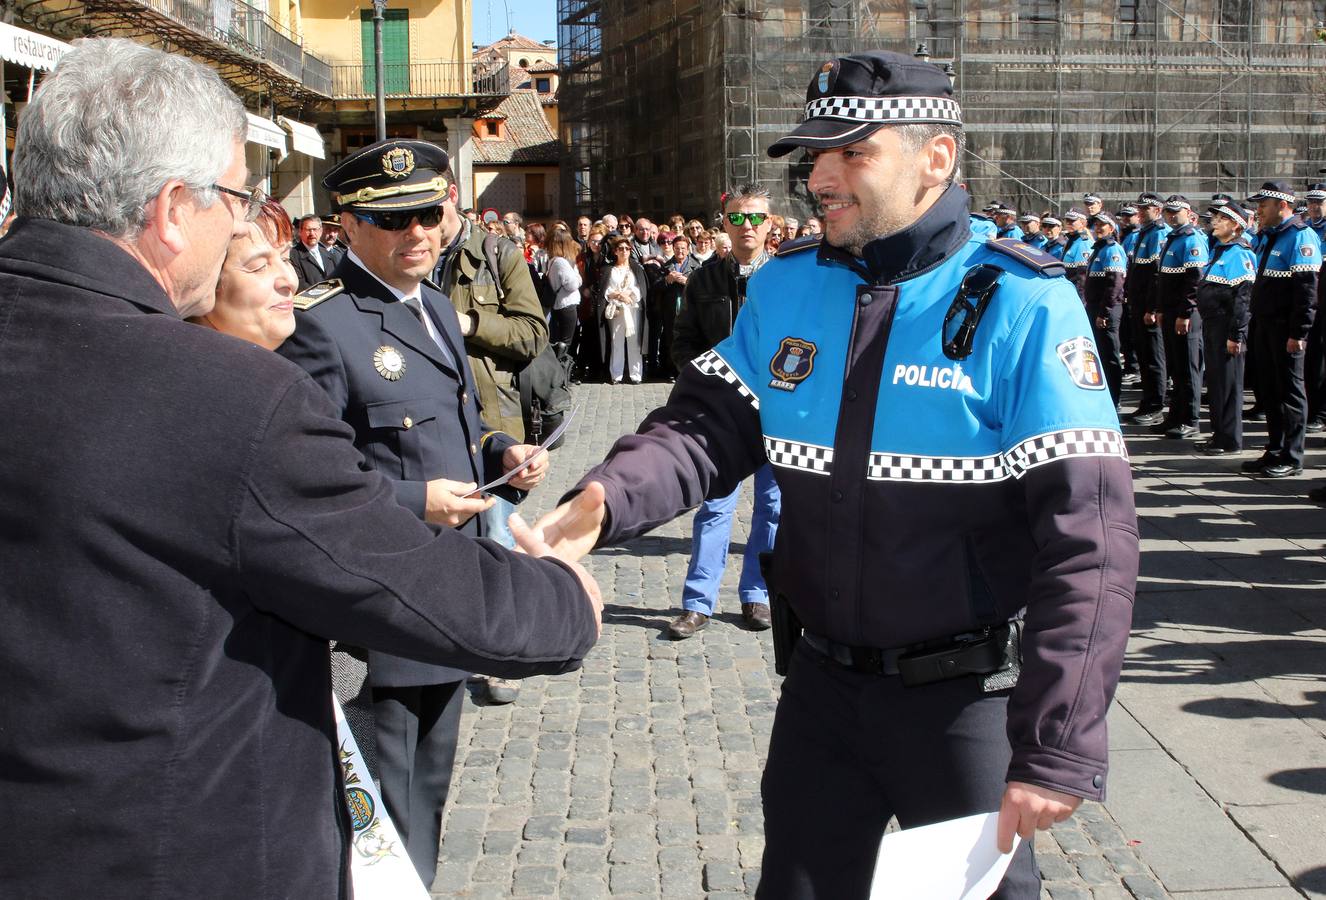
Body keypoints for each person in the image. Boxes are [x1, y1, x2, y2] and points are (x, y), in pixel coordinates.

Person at [0, 38, 599, 898]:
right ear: (174, 209)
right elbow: (390, 573)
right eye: (238, 195)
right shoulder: (224, 393)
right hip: (172, 853)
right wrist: (565, 599)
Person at [533, 50, 1136, 899]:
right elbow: (706, 425)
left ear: (937, 158)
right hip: (820, 692)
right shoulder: (785, 287)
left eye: (852, 151)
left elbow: (1093, 544)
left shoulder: (1025, 304)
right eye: (814, 154)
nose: (820, 175)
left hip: (961, 706)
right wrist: (599, 503)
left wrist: (1059, 741)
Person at [278, 139, 556, 886]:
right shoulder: (322, 323)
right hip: (379, 608)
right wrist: (415, 501)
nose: (419, 234)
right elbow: (306, 476)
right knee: (384, 809)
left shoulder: (433, 302)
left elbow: (446, 425)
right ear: (348, 225)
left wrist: (500, 451)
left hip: (443, 594)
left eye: (431, 214)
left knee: (425, 798)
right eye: (396, 220)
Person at [668, 185, 782, 639]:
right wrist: (706, 384)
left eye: (756, 218)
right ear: (725, 223)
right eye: (738, 218)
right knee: (714, 507)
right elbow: (682, 341)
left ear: (770, 224)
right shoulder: (704, 279)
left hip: (777, 412)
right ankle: (699, 602)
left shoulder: (789, 279)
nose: (747, 226)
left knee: (772, 508)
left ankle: (758, 596)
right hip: (724, 414)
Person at [1240, 181, 1321, 479]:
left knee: (1290, 392)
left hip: (1285, 330)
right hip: (1264, 325)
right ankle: (1275, 448)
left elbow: (1306, 293)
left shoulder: (1300, 237)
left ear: (1282, 205)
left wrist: (1298, 333)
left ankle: (1292, 454)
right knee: (1270, 392)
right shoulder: (1268, 237)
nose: (1259, 210)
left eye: (1264, 204)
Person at [1196, 203, 1255, 456]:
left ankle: (1229, 438)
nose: (1214, 222)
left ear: (1236, 226)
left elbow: (1243, 299)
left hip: (1226, 326)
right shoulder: (1220, 250)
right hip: (1212, 325)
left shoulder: (1239, 253)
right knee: (1217, 383)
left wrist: (1236, 334)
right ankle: (1218, 434)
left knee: (1229, 384)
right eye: (1215, 218)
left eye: (1221, 219)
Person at [1153, 195, 1208, 439]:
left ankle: (1191, 419)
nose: (1172, 215)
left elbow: (1194, 280)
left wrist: (1185, 313)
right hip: (1172, 310)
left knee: (1188, 367)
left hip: (1185, 313)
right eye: (1168, 212)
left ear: (1189, 213)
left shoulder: (1191, 239)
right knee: (1176, 367)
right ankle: (1175, 415)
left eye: (1177, 211)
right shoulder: (1172, 238)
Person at [1125, 192, 1171, 425]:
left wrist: (1152, 308)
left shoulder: (1159, 234)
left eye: (1146, 209)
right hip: (1138, 304)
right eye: (1140, 209)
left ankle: (1156, 405)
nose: (1141, 213)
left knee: (1154, 357)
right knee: (1144, 356)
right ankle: (1148, 401)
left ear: (1158, 210)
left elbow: (1156, 276)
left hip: (1148, 307)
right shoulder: (1143, 234)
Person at [1084, 212, 1128, 406]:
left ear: (1111, 228)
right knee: (1099, 354)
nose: (1098, 228)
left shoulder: (1112, 249)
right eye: (1096, 225)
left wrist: (1105, 312)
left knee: (1110, 355)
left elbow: (1115, 284)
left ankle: (1114, 398)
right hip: (1095, 307)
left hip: (1107, 310)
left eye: (1103, 225)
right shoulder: (1099, 249)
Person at [600, 234, 647, 384]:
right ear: (615, 251)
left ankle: (635, 375)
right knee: (616, 341)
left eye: (627, 248)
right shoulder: (609, 269)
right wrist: (620, 295)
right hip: (616, 309)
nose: (624, 251)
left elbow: (641, 288)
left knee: (634, 341)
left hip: (632, 308)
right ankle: (616, 375)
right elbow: (606, 290)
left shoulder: (636, 268)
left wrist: (630, 296)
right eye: (621, 248)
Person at [547, 228, 584, 345]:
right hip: (566, 305)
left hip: (560, 305)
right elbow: (572, 285)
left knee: (563, 339)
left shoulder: (553, 260)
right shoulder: (561, 262)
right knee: (567, 342)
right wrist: (578, 277)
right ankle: (563, 362)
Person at [1059, 209, 1092, 299]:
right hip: (1067, 289)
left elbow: (1082, 276)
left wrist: (1078, 298)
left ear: (1082, 223)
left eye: (1072, 220)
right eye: (1067, 220)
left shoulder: (1083, 242)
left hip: (1075, 293)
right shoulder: (1071, 239)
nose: (1069, 223)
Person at [291, 212, 329, 291]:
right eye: (308, 230)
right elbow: (299, 284)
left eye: (315, 229)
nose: (312, 233)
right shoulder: (293, 255)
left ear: (321, 231)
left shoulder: (327, 253)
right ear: (300, 232)